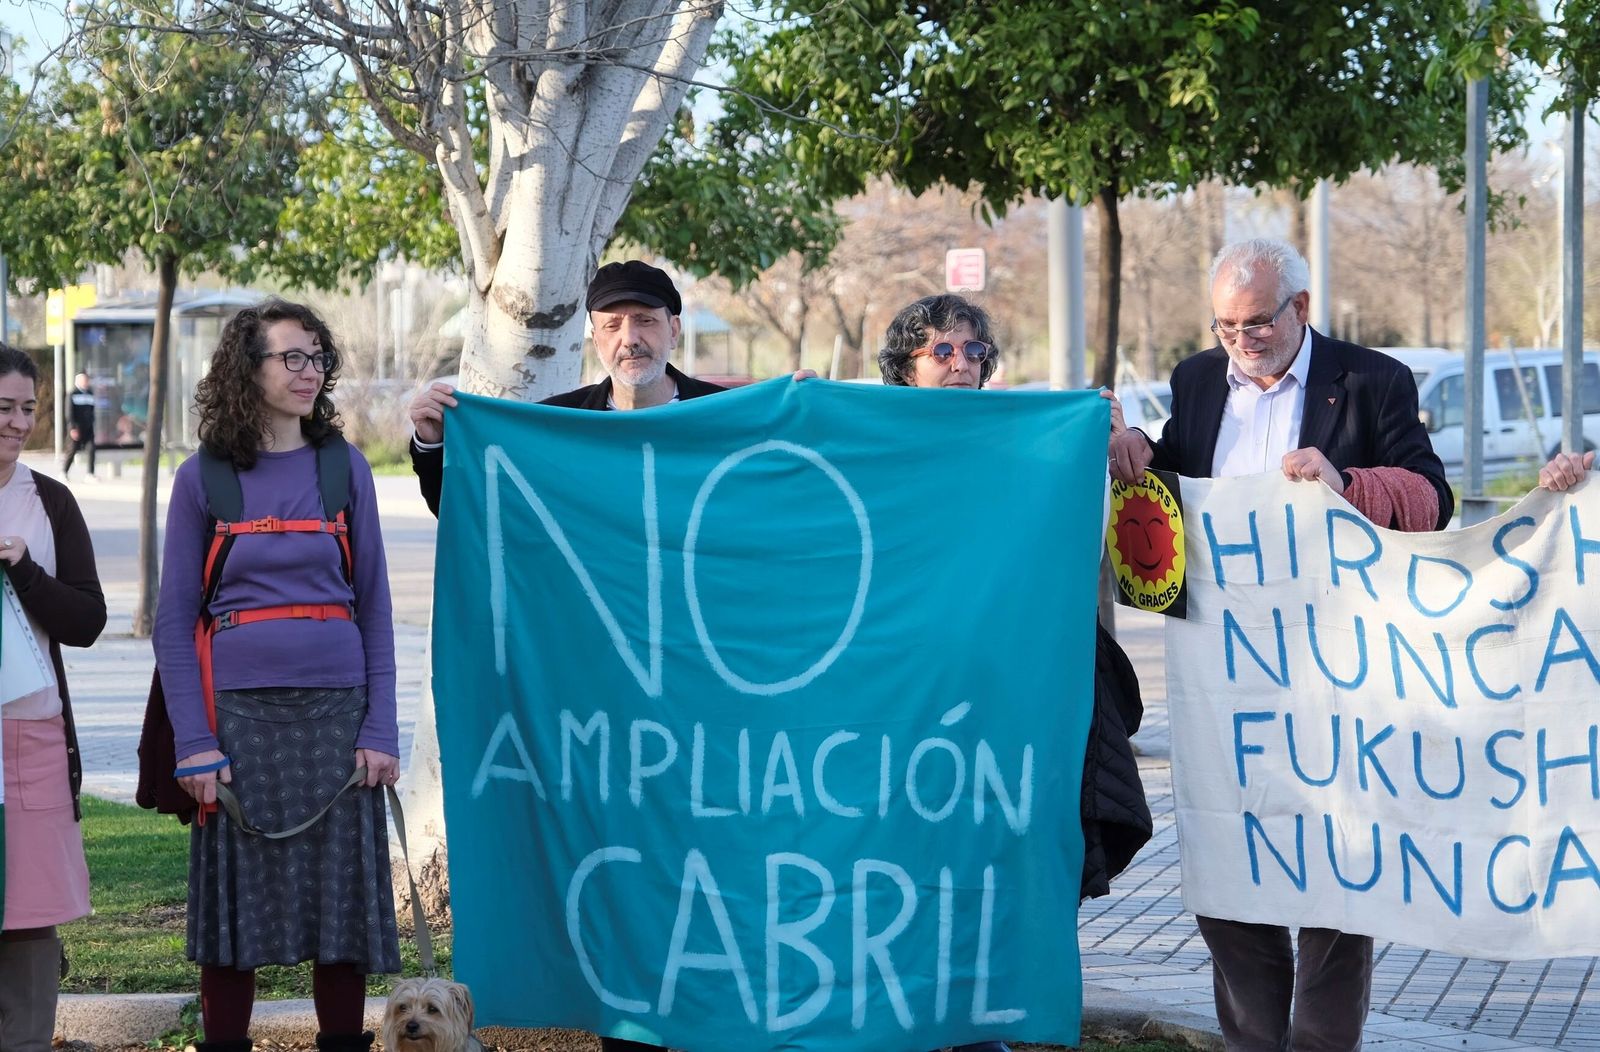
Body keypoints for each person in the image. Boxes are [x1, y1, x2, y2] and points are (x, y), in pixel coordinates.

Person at [1108, 238, 1450, 1051]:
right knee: (1227, 854)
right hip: (1227, 677)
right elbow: (1180, 478)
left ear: (1301, 307)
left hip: (1339, 671)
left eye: (1256, 321)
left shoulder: (1370, 381)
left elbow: (1433, 496)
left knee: (1339, 863)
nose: (1241, 339)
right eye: (1225, 325)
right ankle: (1254, 1041)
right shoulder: (1196, 380)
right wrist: (1139, 454)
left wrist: (1349, 484)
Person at [880, 294, 1152, 1052]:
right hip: (898, 707)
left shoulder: (1023, 445)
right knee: (908, 865)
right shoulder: (870, 444)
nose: (960, 363)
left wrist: (1100, 433)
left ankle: (978, 1027)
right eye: (940, 351)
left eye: (972, 351)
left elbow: (1079, 532)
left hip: (1004, 706)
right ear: (904, 369)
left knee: (992, 866)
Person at [153, 301, 401, 1052]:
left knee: (342, 919)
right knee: (236, 923)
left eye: (318, 357)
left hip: (338, 720)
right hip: (237, 726)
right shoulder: (203, 477)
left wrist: (381, 727)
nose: (310, 370)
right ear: (246, 367)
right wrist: (195, 744)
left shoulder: (344, 465)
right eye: (291, 356)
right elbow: (172, 622)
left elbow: (378, 607)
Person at [409, 259, 728, 515]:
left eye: (645, 320)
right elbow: (477, 512)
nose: (629, 339)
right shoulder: (554, 425)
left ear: (673, 330)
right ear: (596, 338)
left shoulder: (728, 418)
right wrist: (432, 446)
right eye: (612, 326)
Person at [0, 344, 107, 1051]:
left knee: (30, 917)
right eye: (2, 407)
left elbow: (89, 620)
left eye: (26, 408)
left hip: (29, 739)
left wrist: (26, 572)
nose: (16, 422)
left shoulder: (50, 501)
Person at [61, 372, 96, 480]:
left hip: (88, 428)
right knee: (72, 450)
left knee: (91, 449)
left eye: (87, 380)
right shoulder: (73, 394)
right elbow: (69, 413)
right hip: (76, 428)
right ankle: (64, 472)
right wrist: (72, 428)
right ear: (78, 381)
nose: (86, 382)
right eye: (84, 380)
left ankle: (90, 474)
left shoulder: (90, 393)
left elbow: (92, 411)